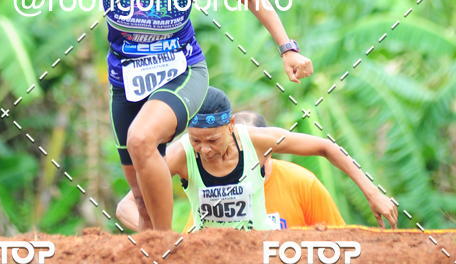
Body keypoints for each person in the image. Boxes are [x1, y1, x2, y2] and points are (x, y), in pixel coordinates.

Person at [19, 0, 313, 231]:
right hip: (125, 82)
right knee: (140, 199)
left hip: (182, 72)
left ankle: (165, 245)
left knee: (142, 139)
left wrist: (287, 48)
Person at [116, 88, 397, 231]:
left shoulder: (256, 141)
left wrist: (373, 193)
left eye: (212, 140)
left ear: (231, 125)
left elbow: (326, 147)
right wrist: (162, 237)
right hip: (206, 258)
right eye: (196, 140)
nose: (204, 150)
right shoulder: (180, 155)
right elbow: (126, 205)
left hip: (260, 254)